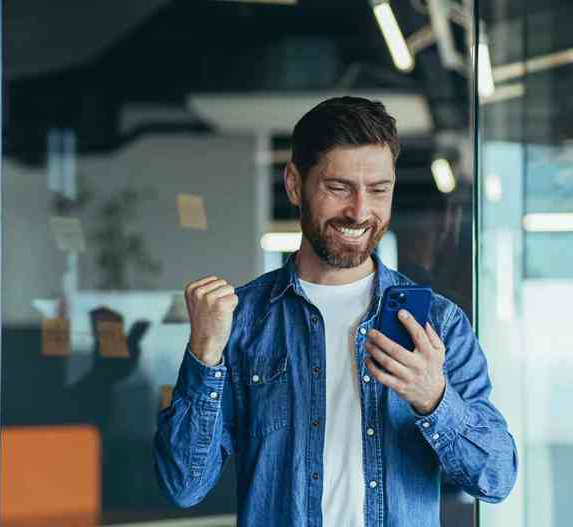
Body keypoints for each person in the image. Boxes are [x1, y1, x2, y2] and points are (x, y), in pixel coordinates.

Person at [153, 96, 517, 526]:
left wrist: (433, 399)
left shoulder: (440, 325)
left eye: (378, 190)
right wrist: (204, 354)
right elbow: (183, 485)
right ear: (294, 184)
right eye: (339, 187)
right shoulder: (242, 322)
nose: (360, 211)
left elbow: (495, 478)